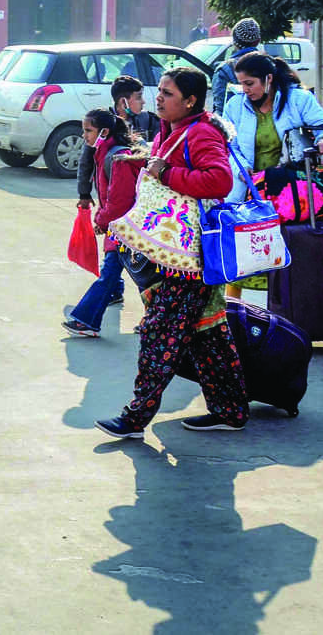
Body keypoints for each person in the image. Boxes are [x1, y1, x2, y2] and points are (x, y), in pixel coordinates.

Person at [96, 68, 249, 438]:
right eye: (160, 91)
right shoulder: (173, 129)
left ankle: (135, 418)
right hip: (182, 256)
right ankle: (231, 410)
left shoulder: (200, 132)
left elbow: (219, 181)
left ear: (191, 100)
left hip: (188, 260)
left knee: (158, 336)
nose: (159, 98)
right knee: (207, 333)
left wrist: (164, 174)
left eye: (168, 93)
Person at [220, 52, 323, 298]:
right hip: (250, 191)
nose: (245, 90)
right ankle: (233, 318)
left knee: (287, 255)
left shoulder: (298, 100)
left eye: (250, 83)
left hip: (290, 194)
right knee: (243, 256)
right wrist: (244, 169)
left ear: (268, 78)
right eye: (241, 84)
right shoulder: (235, 105)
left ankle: (288, 314)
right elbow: (228, 144)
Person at [63, 108, 142, 337]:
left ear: (104, 132)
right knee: (135, 276)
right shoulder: (104, 154)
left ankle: (85, 319)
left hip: (125, 227)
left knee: (111, 273)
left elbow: (119, 201)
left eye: (88, 130)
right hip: (121, 226)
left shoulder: (117, 159)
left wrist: (101, 219)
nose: (84, 135)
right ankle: (153, 320)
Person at [209, 17, 262, 113]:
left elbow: (220, 110)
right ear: (258, 41)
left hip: (232, 126)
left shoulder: (225, 69)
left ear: (233, 41)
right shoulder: (271, 65)